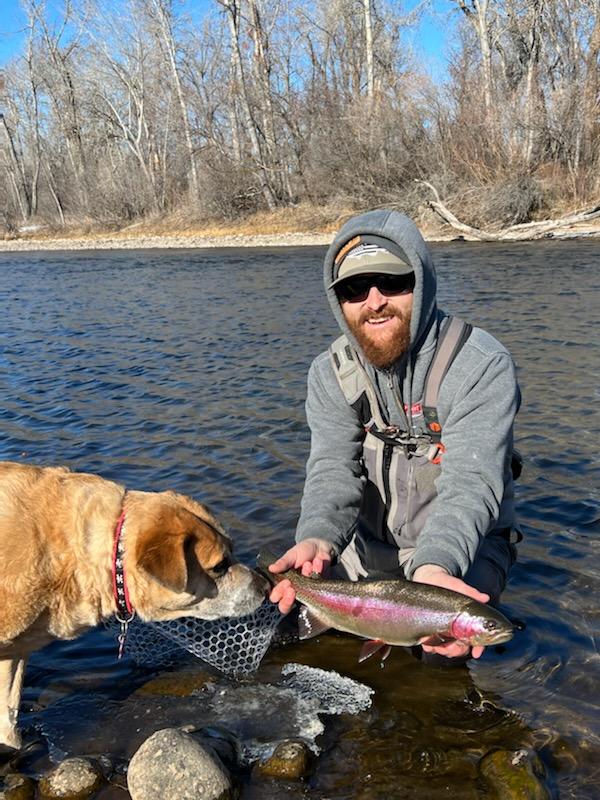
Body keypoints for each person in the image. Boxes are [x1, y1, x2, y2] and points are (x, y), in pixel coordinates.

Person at [268, 209, 521, 662]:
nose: (374, 300)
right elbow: (332, 471)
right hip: (367, 550)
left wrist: (434, 569)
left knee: (445, 655)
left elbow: (471, 486)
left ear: (420, 283)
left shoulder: (480, 366)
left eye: (392, 281)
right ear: (338, 301)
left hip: (460, 551)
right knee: (295, 633)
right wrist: (317, 538)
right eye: (353, 289)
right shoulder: (330, 374)